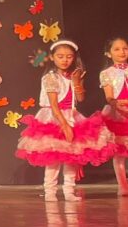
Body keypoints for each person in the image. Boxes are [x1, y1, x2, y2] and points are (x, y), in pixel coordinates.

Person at [16, 40, 114, 201]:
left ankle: (69, 191)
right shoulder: (50, 77)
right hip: (53, 117)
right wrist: (65, 125)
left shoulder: (74, 75)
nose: (65, 60)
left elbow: (80, 98)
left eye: (69, 57)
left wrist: (77, 82)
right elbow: (54, 105)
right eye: (60, 56)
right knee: (53, 158)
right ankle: (50, 192)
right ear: (52, 57)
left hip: (72, 115)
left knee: (71, 157)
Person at [99, 36, 128, 195]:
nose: (122, 52)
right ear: (108, 53)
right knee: (120, 153)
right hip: (118, 112)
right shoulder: (106, 73)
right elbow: (109, 97)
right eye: (117, 49)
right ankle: (123, 186)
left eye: (125, 48)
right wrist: (118, 105)